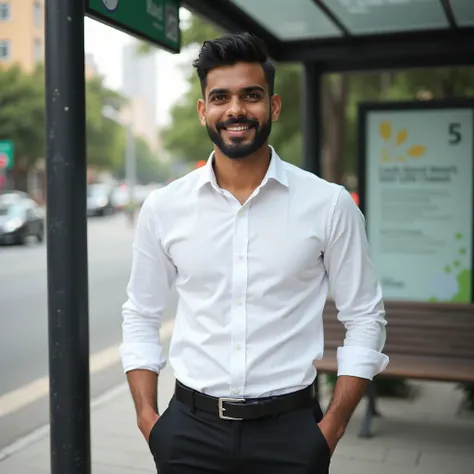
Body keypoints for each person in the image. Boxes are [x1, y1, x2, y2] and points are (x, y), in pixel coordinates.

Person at [120, 32, 389, 474]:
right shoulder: (163, 208)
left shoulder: (328, 204)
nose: (236, 110)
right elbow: (141, 315)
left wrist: (333, 426)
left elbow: (364, 317)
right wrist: (149, 421)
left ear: (274, 106)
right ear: (203, 110)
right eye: (220, 97)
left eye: (251, 95)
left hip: (291, 434)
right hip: (188, 432)